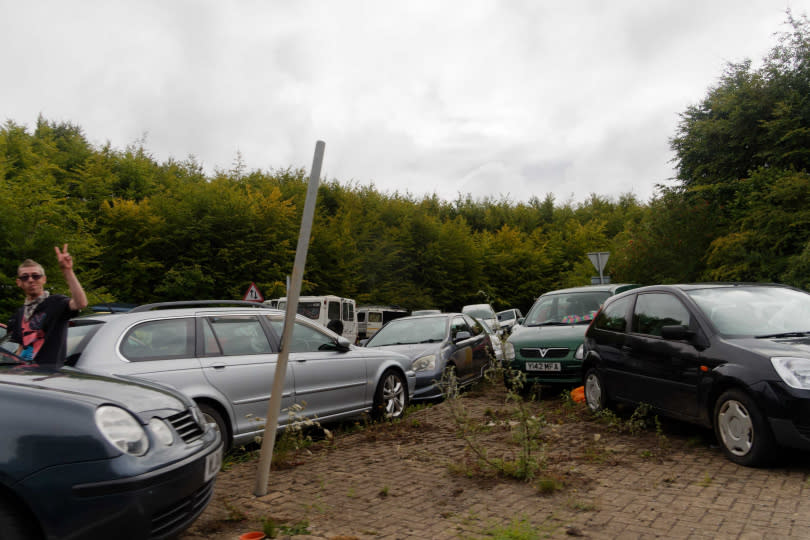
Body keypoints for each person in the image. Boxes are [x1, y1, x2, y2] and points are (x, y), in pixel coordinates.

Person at [7, 244, 88, 367]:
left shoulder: (56, 303)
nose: (30, 280)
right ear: (19, 283)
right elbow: (21, 347)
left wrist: (67, 271)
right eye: (25, 277)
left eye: (35, 276)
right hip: (25, 377)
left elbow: (81, 303)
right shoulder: (20, 313)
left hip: (48, 377)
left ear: (43, 279)